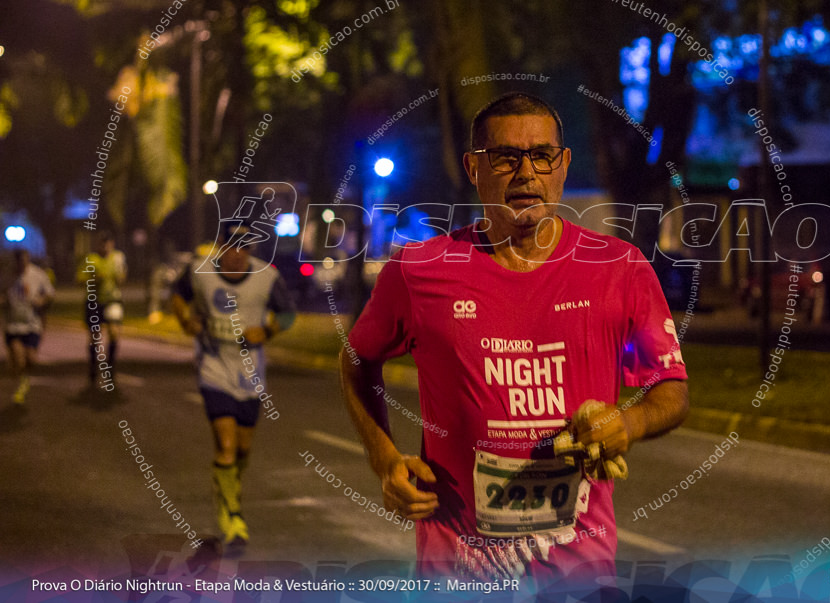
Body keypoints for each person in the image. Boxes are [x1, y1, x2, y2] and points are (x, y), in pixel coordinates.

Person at [341, 92, 689, 593]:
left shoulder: (619, 268)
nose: (526, 172)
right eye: (505, 156)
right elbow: (356, 361)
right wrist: (384, 459)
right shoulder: (418, 270)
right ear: (474, 167)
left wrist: (627, 424)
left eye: (542, 155)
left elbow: (671, 389)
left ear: (563, 165)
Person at [171, 223, 296, 550]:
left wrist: (267, 332)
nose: (238, 254)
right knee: (225, 445)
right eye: (232, 246)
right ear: (221, 246)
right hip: (213, 369)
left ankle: (227, 486)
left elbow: (287, 314)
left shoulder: (267, 277)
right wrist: (186, 321)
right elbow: (177, 296)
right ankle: (232, 515)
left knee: (242, 450)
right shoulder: (199, 272)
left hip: (251, 375)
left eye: (246, 247)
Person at [2, 250, 55, 404]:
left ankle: (22, 377)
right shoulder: (6, 277)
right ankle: (20, 383)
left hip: (32, 324)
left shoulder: (37, 275)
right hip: (13, 326)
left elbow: (50, 293)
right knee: (19, 358)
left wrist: (42, 300)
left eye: (24, 261)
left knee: (31, 359)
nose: (21, 265)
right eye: (19, 262)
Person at [76, 231, 127, 389]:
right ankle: (93, 367)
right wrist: (94, 278)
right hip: (94, 301)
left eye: (108, 242)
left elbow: (122, 278)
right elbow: (79, 279)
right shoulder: (91, 259)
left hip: (112, 300)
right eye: (102, 243)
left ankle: (110, 366)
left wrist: (121, 276)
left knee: (114, 332)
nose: (106, 246)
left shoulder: (117, 257)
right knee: (94, 336)